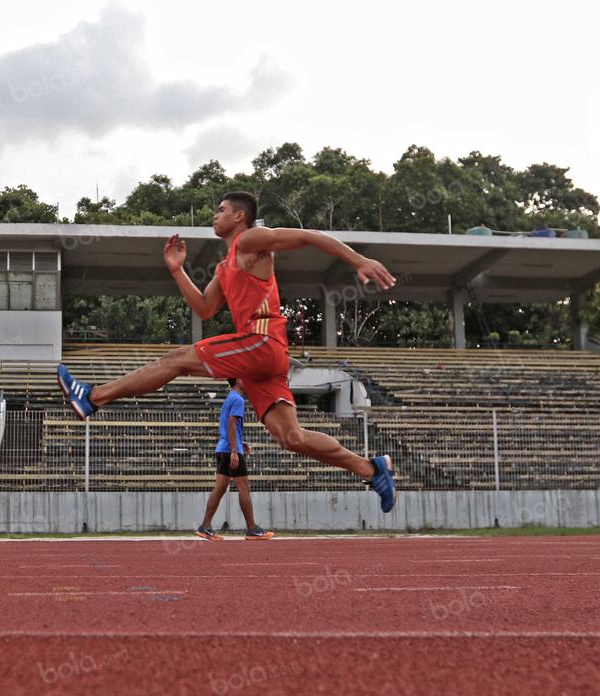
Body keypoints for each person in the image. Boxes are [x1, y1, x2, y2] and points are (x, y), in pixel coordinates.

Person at [58, 192, 398, 513]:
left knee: (175, 360)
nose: (214, 214)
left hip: (261, 340)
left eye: (221, 210)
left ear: (239, 216)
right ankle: (370, 468)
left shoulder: (250, 240)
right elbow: (205, 308)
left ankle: (94, 397)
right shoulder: (225, 266)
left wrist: (358, 259)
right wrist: (177, 270)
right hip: (264, 360)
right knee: (291, 437)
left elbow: (308, 236)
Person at [197, 379, 273, 541]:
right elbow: (231, 424)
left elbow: (228, 426)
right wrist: (234, 450)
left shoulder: (230, 397)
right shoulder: (238, 399)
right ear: (239, 380)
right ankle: (252, 529)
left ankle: (205, 527)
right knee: (244, 487)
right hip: (230, 450)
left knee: (219, 489)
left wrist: (240, 442)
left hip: (222, 448)